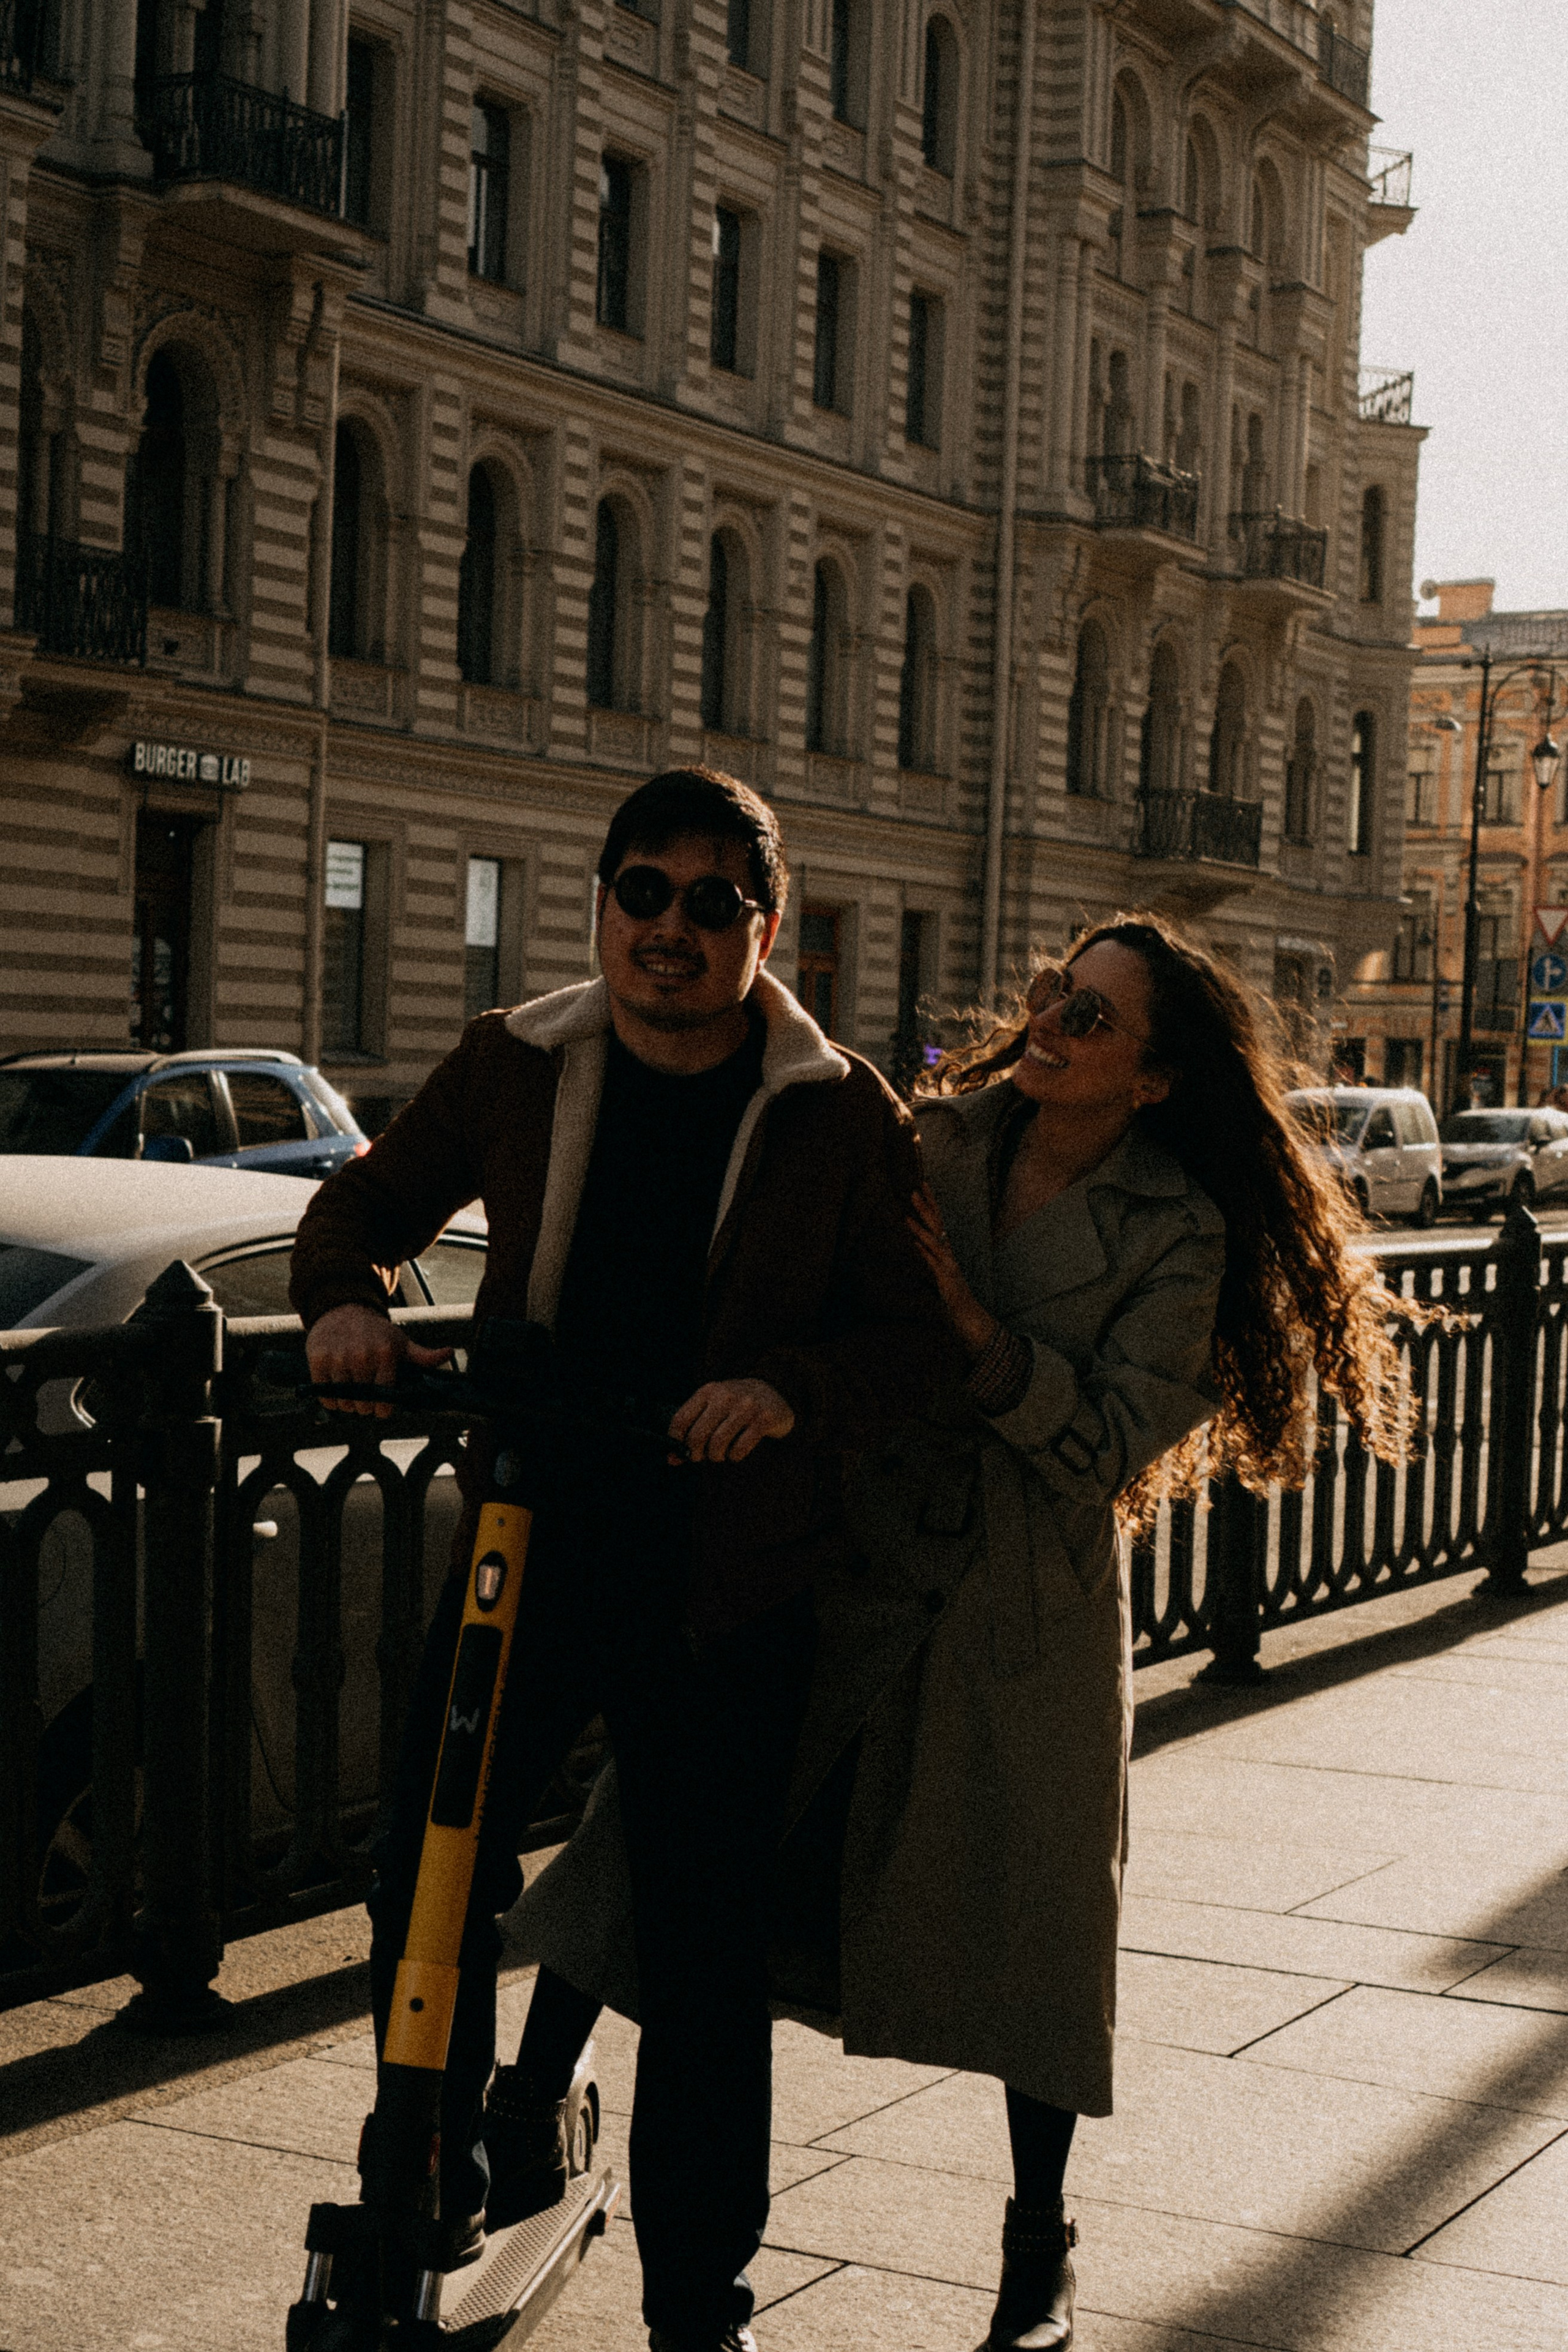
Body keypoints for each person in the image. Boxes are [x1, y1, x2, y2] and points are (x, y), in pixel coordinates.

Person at [510, 913, 1412, 2352]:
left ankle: (1033, 2242)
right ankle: (521, 2111)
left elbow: (1111, 1435)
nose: (1048, 1021)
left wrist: (968, 1330)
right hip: (836, 1558)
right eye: (1054, 991)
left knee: (1030, 1931)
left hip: (1015, 1613)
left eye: (1092, 1018)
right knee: (655, 1847)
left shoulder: (1175, 1226)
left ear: (1154, 1082)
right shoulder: (919, 1138)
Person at [288, 766, 957, 2352]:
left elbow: (920, 1341)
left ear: (764, 926)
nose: (669, 927)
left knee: (704, 1955)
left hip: (726, 1577)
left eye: (711, 901)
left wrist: (783, 1389)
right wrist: (342, 1302)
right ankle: (425, 2169)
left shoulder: (838, 1109)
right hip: (534, 1530)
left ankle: (699, 2307)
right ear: (599, 902)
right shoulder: (516, 1061)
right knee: (423, 1876)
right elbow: (362, 1208)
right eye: (641, 891)